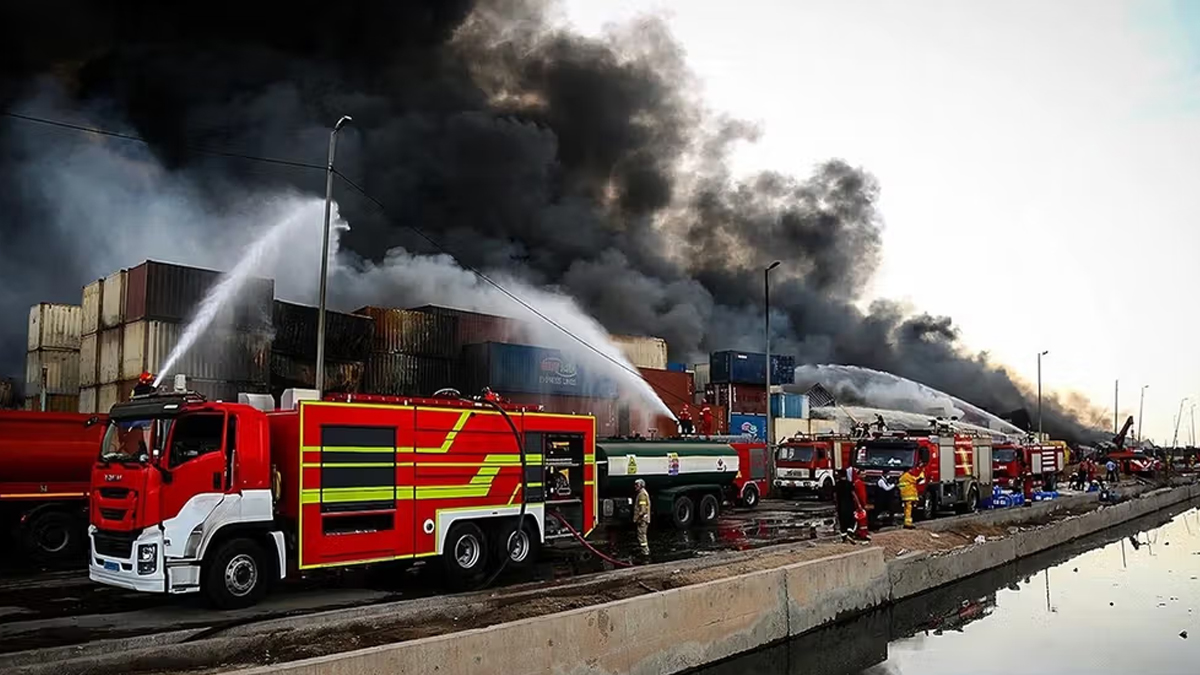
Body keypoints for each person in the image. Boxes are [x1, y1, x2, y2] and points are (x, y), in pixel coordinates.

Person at [898, 463, 925, 529]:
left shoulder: (901, 477)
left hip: (904, 495)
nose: (911, 470)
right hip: (909, 495)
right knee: (908, 509)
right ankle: (908, 524)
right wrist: (922, 473)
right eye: (910, 469)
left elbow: (900, 486)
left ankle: (906, 522)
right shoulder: (907, 476)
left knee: (906, 509)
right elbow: (916, 480)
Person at [834, 469, 856, 540]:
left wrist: (836, 505)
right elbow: (853, 494)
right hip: (849, 505)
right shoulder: (849, 484)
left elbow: (835, 496)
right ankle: (850, 532)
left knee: (842, 521)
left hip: (841, 505)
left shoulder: (837, 484)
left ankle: (844, 536)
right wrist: (858, 504)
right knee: (851, 520)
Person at [633, 478, 651, 559]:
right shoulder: (643, 493)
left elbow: (643, 510)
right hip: (644, 519)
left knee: (642, 536)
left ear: (641, 485)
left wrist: (636, 518)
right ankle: (645, 551)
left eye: (637, 485)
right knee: (642, 535)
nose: (635, 486)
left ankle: (645, 553)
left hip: (642, 520)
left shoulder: (642, 495)